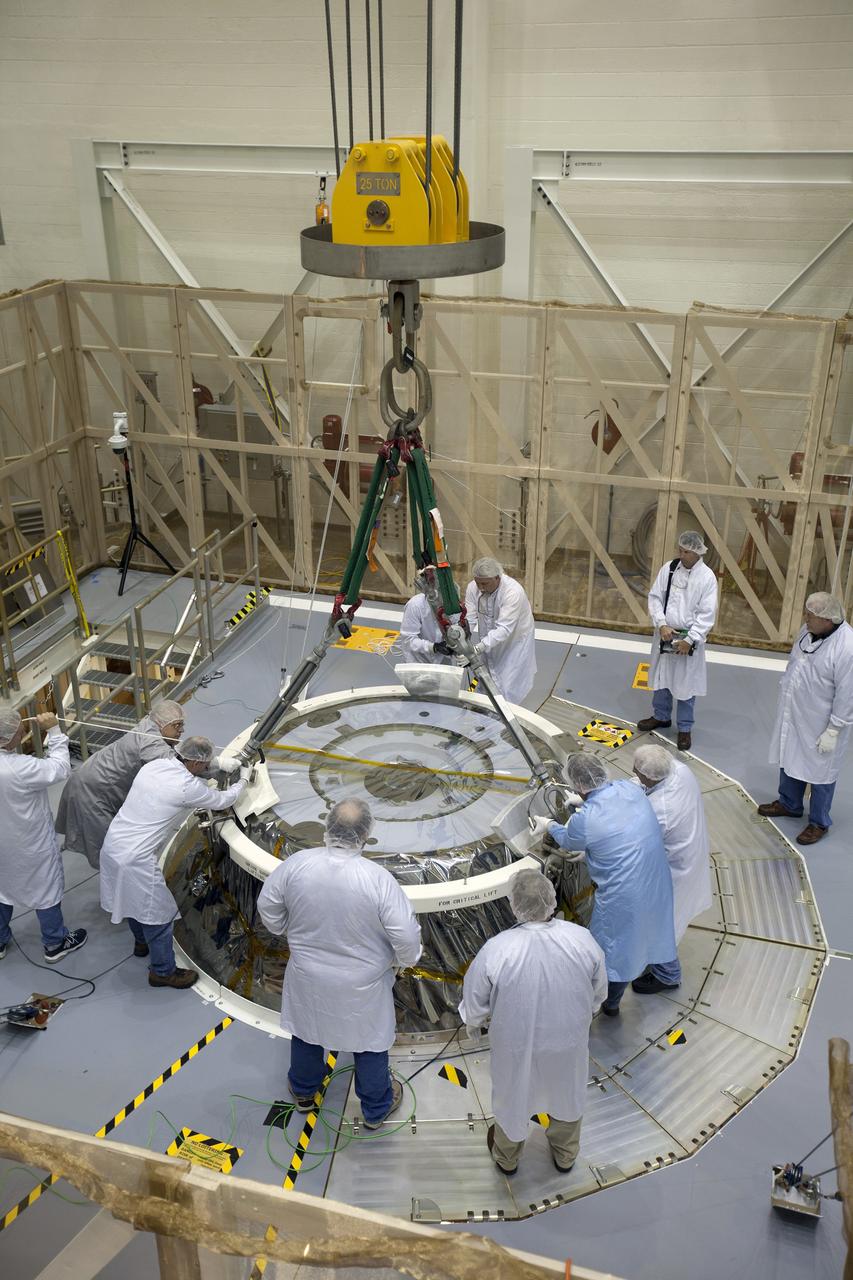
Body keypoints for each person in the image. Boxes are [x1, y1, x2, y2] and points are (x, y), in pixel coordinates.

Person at [257, 798, 422, 1130]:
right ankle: (376, 1108)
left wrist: (287, 931)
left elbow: (268, 906)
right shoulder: (377, 880)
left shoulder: (297, 865)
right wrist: (402, 962)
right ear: (366, 834)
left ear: (327, 827)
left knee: (307, 1031)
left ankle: (303, 1092)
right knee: (369, 1042)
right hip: (362, 985)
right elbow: (406, 936)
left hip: (307, 976)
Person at [460, 868, 606, 1176]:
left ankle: (507, 1158)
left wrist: (473, 1023)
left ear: (514, 905)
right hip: (568, 1042)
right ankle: (565, 1155)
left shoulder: (497, 949)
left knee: (513, 1098)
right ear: (550, 899)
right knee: (567, 1094)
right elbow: (598, 994)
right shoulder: (581, 939)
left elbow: (474, 1002)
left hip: (516, 1048)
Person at [533, 752, 676, 1015]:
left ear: (578, 785)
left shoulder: (585, 820)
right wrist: (585, 804)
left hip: (624, 896)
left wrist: (549, 825)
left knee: (615, 952)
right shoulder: (629, 788)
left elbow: (568, 839)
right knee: (655, 928)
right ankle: (669, 974)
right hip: (656, 879)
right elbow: (620, 827)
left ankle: (610, 1003)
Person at [100, 735, 246, 988]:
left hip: (113, 845)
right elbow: (223, 800)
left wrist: (219, 764)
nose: (205, 767)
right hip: (135, 859)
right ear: (196, 763)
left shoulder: (154, 766)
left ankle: (142, 942)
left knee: (131, 900)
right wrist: (243, 780)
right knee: (158, 915)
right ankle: (162, 971)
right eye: (205, 764)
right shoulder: (186, 787)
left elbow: (190, 770)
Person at [758, 592, 853, 845]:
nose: (805, 618)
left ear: (828, 620)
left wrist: (834, 730)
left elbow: (848, 694)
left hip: (822, 722)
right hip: (796, 712)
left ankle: (819, 822)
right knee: (790, 755)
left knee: (821, 772)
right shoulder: (809, 630)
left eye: (810, 615)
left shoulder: (846, 647)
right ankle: (789, 804)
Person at [0, 707, 87, 963]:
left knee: (2, 889)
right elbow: (60, 768)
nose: (23, 733)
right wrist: (54, 730)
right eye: (20, 731)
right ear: (7, 738)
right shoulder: (19, 768)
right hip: (29, 843)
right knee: (45, 888)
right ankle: (55, 943)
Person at [56, 698, 185, 869]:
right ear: (161, 723)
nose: (181, 730)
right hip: (92, 791)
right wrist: (213, 765)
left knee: (111, 839)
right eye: (177, 726)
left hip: (95, 779)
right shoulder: (150, 742)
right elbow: (178, 767)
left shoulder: (151, 726)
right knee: (109, 853)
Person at [631, 744, 711, 994]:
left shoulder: (661, 810)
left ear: (649, 776)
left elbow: (630, 841)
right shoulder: (679, 769)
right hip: (690, 854)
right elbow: (642, 787)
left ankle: (667, 976)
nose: (633, 771)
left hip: (675, 870)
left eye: (637, 770)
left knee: (659, 926)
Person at [638, 530, 718, 751]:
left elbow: (707, 613)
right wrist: (661, 624)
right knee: (662, 676)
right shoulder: (670, 568)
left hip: (688, 640)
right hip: (665, 634)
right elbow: (655, 597)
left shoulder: (707, 578)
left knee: (686, 684)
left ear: (697, 552)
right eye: (680, 551)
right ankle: (661, 716)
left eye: (686, 552)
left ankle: (684, 728)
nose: (681, 555)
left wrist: (690, 639)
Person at [464, 556, 537, 704]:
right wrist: (463, 641)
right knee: (485, 679)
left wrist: (477, 648)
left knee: (507, 686)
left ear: (497, 578)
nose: (480, 588)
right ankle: (485, 710)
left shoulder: (513, 592)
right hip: (488, 640)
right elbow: (469, 618)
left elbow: (504, 629)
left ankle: (507, 714)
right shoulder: (473, 588)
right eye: (478, 583)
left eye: (485, 583)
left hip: (513, 643)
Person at [399, 572, 452, 664]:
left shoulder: (452, 605)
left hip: (442, 659)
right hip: (418, 660)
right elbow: (408, 640)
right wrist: (433, 647)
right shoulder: (415, 605)